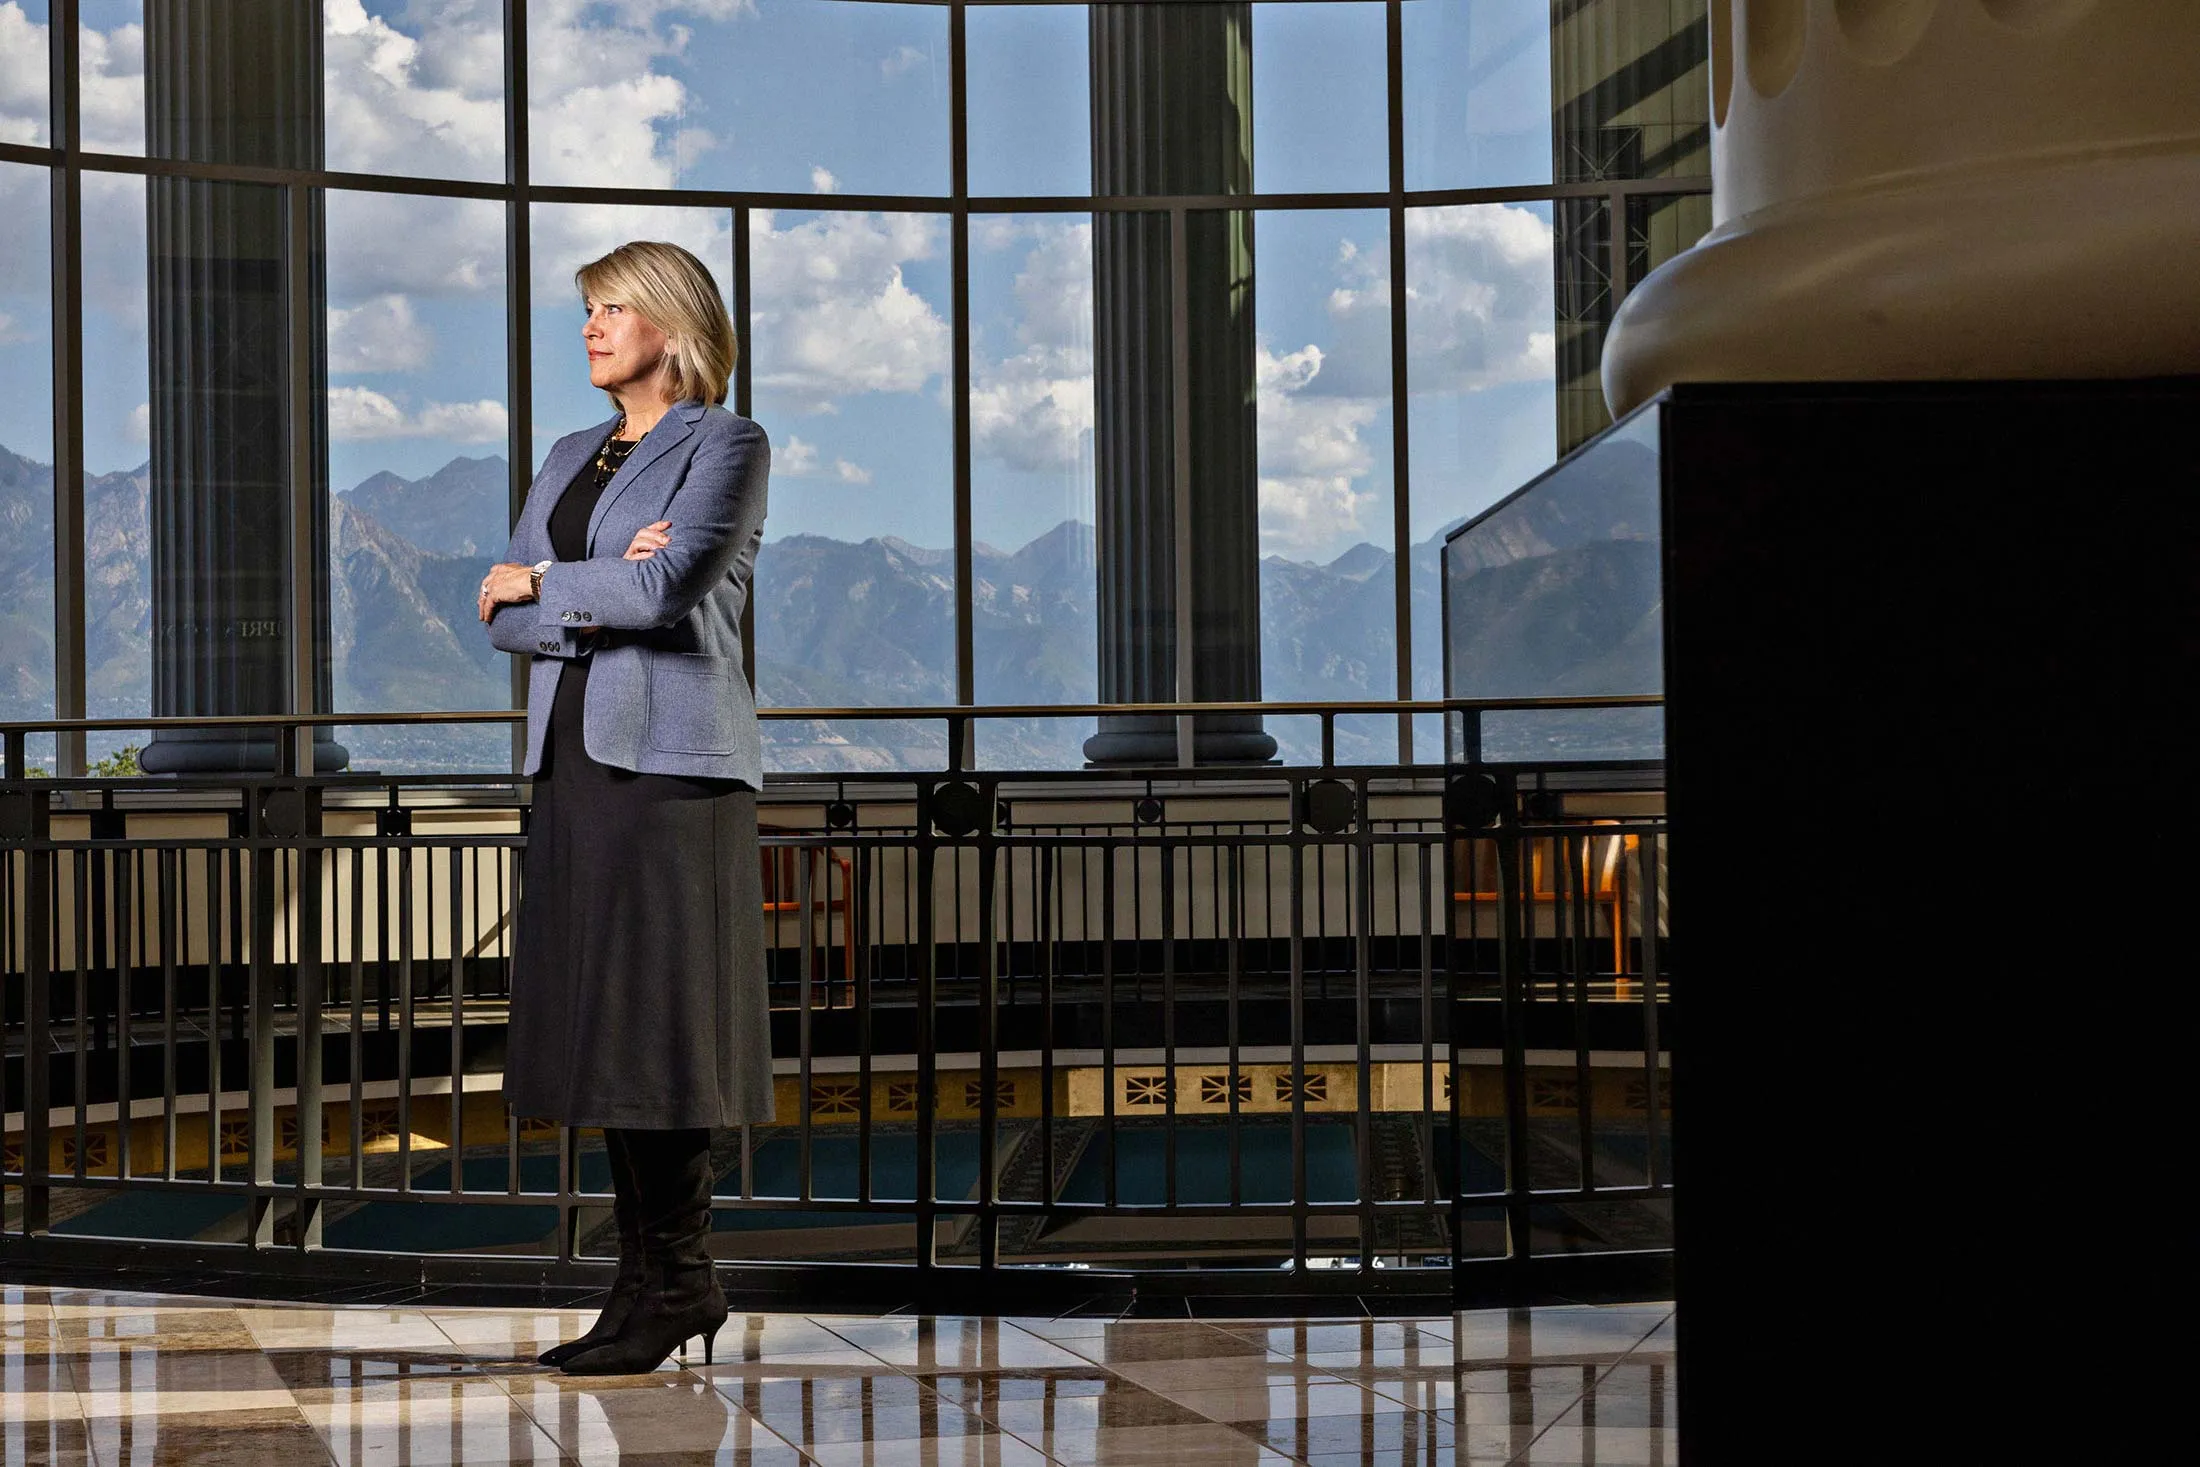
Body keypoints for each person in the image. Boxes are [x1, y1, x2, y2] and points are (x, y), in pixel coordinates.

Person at [477, 239, 771, 1375]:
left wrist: (549, 582)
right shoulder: (569, 455)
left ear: (671, 322)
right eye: (587, 309)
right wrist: (577, 591)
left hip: (670, 770)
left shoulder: (726, 445)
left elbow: (666, 588)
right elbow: (497, 616)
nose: (592, 327)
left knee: (661, 1027)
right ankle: (648, 1285)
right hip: (575, 760)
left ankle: (677, 1281)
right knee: (606, 1027)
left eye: (612, 308)